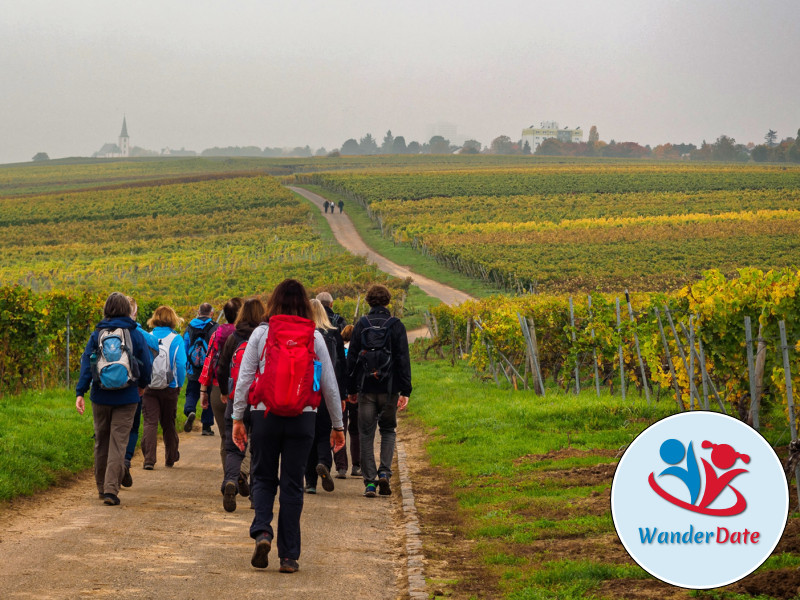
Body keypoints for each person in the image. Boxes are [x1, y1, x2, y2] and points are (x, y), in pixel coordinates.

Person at [232, 279, 345, 573]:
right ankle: (289, 556)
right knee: (293, 485)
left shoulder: (261, 333)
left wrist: (237, 418)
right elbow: (330, 386)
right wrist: (337, 425)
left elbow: (244, 378)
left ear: (274, 303)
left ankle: (263, 532)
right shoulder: (314, 336)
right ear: (305, 305)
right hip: (303, 416)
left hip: (265, 415)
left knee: (264, 476)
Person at [75, 292, 153, 506]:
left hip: (100, 396)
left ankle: (101, 487)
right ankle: (111, 490)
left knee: (101, 441)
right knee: (119, 442)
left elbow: (86, 364)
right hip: (127, 396)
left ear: (106, 309)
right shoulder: (135, 334)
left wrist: (80, 392)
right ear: (128, 310)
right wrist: (143, 386)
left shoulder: (97, 334)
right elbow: (146, 363)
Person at [346, 284, 412, 498]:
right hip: (390, 389)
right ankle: (385, 472)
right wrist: (405, 390)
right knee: (388, 430)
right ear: (387, 301)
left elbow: (352, 359)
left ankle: (370, 483)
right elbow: (403, 359)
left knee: (366, 434)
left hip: (366, 389)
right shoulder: (396, 325)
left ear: (368, 301)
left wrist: (350, 388)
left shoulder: (361, 325)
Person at [216, 297, 266, 512]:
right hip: (260, 400)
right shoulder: (266, 336)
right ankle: (256, 497)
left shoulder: (233, 338)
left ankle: (231, 481)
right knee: (258, 449)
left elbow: (222, 368)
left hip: (237, 398)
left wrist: (226, 392)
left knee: (233, 447)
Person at [304, 299, 347, 493]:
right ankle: (324, 464)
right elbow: (342, 366)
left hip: (306, 391)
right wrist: (342, 395)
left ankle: (310, 483)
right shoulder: (334, 334)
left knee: (307, 436)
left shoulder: (304, 334)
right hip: (328, 389)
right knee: (324, 432)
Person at [141, 306, 187, 469]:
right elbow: (181, 365)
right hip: (170, 386)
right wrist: (179, 384)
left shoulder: (148, 337)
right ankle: (171, 456)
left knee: (150, 422)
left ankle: (149, 459)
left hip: (149, 386)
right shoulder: (177, 339)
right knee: (168, 422)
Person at [199, 297, 243, 467]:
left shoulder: (218, 333)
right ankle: (242, 473)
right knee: (246, 434)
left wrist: (203, 390)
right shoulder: (250, 333)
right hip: (243, 390)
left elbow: (209, 362)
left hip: (219, 390)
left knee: (226, 436)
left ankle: (229, 476)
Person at [122, 296, 159, 487]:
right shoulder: (144, 335)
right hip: (133, 390)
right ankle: (126, 461)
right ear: (134, 312)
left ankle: (108, 468)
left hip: (105, 391)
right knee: (133, 427)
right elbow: (151, 360)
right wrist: (143, 385)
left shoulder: (102, 330)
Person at [183, 303, 217, 435]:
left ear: (198, 312)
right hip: (209, 369)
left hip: (193, 369)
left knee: (191, 393)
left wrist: (188, 365)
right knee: (207, 395)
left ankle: (190, 410)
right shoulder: (215, 328)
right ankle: (206, 427)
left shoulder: (189, 328)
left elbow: (185, 346)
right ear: (211, 313)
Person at [334, 323, 360, 478]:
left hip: (340, 394)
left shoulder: (338, 350)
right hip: (355, 393)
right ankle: (357, 465)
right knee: (356, 430)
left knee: (339, 428)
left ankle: (341, 467)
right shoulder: (357, 350)